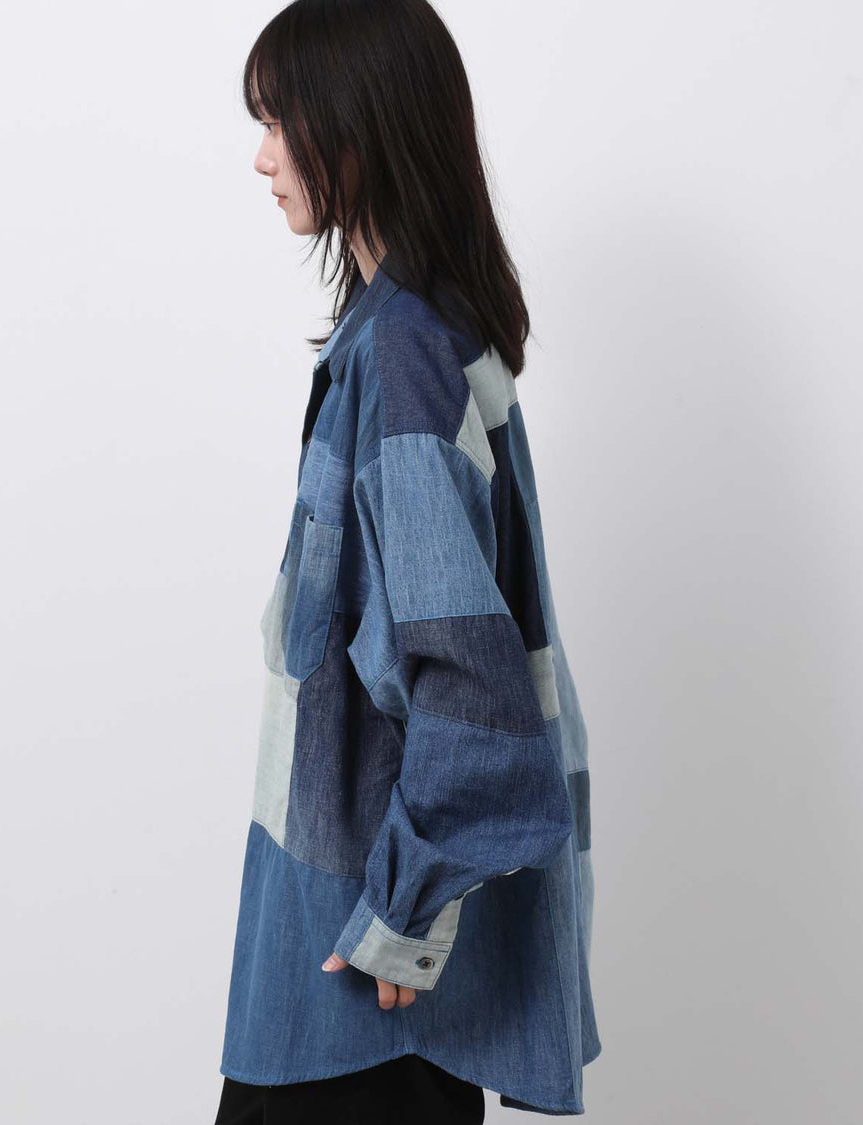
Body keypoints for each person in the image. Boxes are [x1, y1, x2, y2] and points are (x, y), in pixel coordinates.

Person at [214, 0, 602, 1120]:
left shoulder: (404, 357)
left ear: (357, 128)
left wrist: (403, 913)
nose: (261, 157)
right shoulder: (419, 334)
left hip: (362, 983)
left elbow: (472, 685)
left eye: (279, 121)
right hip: (363, 968)